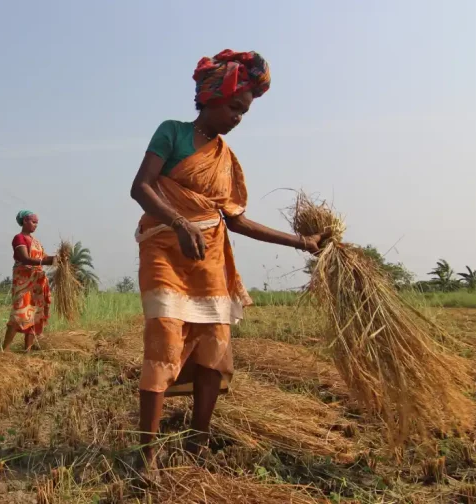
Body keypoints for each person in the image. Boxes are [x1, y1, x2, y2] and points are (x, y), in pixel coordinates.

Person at [129, 49, 328, 473]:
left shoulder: (226, 159)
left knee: (212, 349)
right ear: (213, 97)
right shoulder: (172, 132)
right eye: (236, 107)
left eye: (245, 112)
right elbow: (141, 187)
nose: (239, 118)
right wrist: (181, 223)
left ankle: (198, 443)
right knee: (163, 340)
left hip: (210, 258)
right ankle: (147, 453)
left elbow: (235, 219)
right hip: (165, 249)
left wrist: (302, 242)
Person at [2, 210, 55, 352]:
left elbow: (45, 257)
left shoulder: (36, 242)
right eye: (33, 222)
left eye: (37, 223)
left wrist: (58, 258)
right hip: (23, 281)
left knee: (35, 314)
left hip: (37, 282)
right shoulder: (19, 238)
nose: (35, 225)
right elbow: (25, 258)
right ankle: (4, 350)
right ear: (24, 221)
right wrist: (47, 262)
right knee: (19, 313)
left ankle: (28, 350)